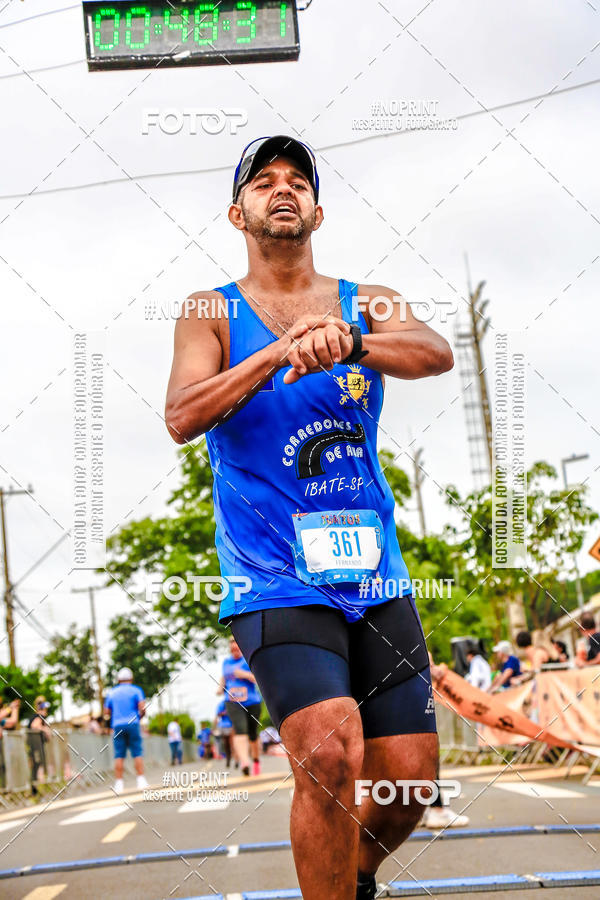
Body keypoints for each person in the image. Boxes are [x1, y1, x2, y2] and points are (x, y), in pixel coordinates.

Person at [165, 134, 454, 900]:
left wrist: (354, 341)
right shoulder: (209, 311)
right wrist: (280, 351)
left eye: (297, 181)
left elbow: (435, 352)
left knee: (411, 780)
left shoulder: (368, 300)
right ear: (238, 212)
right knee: (329, 755)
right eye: (264, 182)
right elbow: (182, 414)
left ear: (318, 210)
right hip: (273, 578)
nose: (282, 189)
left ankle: (352, 876)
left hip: (373, 572)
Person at [219, 638, 263, 776]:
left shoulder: (248, 660)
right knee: (240, 730)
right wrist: (220, 688)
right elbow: (224, 677)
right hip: (233, 702)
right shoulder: (226, 662)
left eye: (237, 648)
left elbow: (258, 679)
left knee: (252, 734)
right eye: (232, 648)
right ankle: (245, 762)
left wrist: (244, 674)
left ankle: (255, 760)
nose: (234, 651)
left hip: (252, 702)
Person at [103, 667, 149, 794]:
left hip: (117, 725)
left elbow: (106, 711)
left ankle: (119, 784)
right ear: (131, 678)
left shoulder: (112, 692)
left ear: (118, 679)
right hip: (133, 723)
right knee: (137, 752)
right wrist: (140, 717)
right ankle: (141, 780)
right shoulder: (136, 690)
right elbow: (142, 708)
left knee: (119, 754)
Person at [27, 696, 53, 793]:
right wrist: (45, 729)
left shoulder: (41, 717)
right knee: (37, 764)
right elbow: (35, 726)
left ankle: (36, 788)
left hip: (37, 744)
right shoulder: (38, 717)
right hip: (35, 745)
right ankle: (35, 789)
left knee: (37, 764)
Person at [215, 700, 234, 767]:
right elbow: (218, 714)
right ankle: (228, 759)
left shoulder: (236, 701)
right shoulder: (222, 703)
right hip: (224, 726)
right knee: (226, 744)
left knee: (234, 743)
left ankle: (237, 760)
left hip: (233, 725)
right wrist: (226, 712)